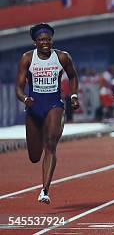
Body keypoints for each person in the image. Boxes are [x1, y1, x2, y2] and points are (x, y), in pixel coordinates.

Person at [15, 23, 80, 204]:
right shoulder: (27, 59)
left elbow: (73, 76)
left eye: (48, 39)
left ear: (52, 41)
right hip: (34, 107)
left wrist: (73, 96)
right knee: (34, 156)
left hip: (54, 105)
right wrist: (24, 99)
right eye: (41, 40)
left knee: (50, 145)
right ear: (35, 42)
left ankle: (44, 190)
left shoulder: (62, 57)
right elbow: (19, 88)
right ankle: (42, 179)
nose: (45, 43)